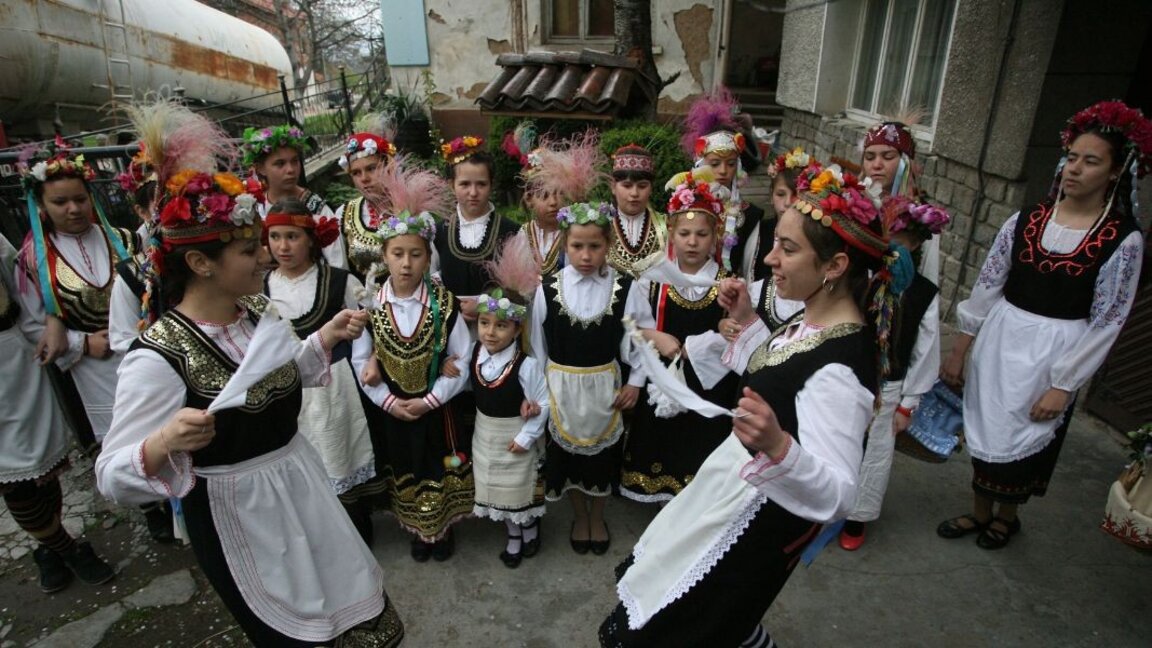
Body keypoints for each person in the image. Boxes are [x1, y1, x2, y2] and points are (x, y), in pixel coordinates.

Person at [95, 104, 402, 647]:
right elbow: (111, 475)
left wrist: (324, 340)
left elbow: (277, 378)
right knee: (300, 631)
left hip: (300, 483)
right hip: (241, 511)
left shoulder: (258, 311)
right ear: (199, 264)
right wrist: (164, 440)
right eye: (247, 249)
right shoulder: (158, 355)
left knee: (354, 610)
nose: (265, 256)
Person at [600, 162, 900, 647]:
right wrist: (746, 320)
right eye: (776, 244)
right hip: (729, 493)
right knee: (696, 612)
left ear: (835, 266)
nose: (770, 261)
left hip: (754, 524)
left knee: (685, 624)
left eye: (788, 248)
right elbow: (782, 372)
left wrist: (780, 446)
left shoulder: (842, 370)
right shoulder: (809, 321)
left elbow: (840, 493)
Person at [937, 100, 1148, 550]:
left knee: (1027, 432)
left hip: (1057, 349)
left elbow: (1109, 319)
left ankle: (1006, 517)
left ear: (1114, 172)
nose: (1074, 169)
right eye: (1072, 158)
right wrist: (960, 346)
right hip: (1003, 335)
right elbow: (989, 283)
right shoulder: (1026, 219)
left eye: (1091, 162)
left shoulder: (1120, 239)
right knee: (986, 423)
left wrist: (1064, 383)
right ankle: (978, 511)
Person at [351, 158, 473, 563]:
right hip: (395, 407)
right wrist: (388, 401)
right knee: (405, 468)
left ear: (428, 257)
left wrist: (432, 398)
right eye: (398, 254)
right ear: (383, 256)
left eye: (416, 255)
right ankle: (419, 531)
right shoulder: (370, 304)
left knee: (439, 468)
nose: (406, 264)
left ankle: (441, 530)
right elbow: (360, 359)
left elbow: (462, 354)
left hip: (434, 408)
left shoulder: (444, 303)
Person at [1, 235, 116, 593]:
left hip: (12, 365)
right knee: (12, 479)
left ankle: (47, 547)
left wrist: (63, 333)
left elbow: (25, 296)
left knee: (41, 469)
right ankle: (68, 548)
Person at [529, 202, 645, 556]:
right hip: (561, 387)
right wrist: (540, 391)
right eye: (577, 246)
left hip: (604, 388)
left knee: (602, 457)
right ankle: (579, 514)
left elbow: (641, 338)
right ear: (566, 245)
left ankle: (598, 514)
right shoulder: (548, 287)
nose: (585, 255)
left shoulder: (625, 287)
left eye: (594, 246)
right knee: (568, 458)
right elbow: (537, 345)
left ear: (608, 244)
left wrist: (635, 381)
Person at [262, 197, 380, 545]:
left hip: (336, 385)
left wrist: (363, 359)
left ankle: (357, 532)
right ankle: (318, 535)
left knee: (341, 452)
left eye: (293, 237)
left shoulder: (338, 281)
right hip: (288, 390)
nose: (283, 246)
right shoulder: (262, 288)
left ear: (311, 239)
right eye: (275, 236)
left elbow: (362, 329)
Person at [620, 169, 737, 504]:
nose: (692, 241)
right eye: (684, 233)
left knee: (700, 444)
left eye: (702, 234)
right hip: (664, 382)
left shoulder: (726, 282)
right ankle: (660, 496)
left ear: (715, 236)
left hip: (709, 385)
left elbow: (737, 330)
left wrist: (725, 331)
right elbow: (630, 324)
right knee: (662, 440)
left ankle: (695, 502)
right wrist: (654, 335)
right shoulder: (653, 279)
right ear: (670, 233)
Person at [839, 196, 950, 550]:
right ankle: (823, 505)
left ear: (916, 244)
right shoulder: (857, 278)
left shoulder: (922, 292)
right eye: (886, 239)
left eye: (901, 242)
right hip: (846, 376)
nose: (892, 250)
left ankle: (858, 516)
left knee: (875, 452)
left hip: (888, 386)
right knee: (835, 439)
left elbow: (925, 350)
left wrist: (908, 403)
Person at [15, 138, 140, 447]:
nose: (73, 209)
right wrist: (83, 343)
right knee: (120, 443)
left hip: (141, 354)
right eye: (60, 202)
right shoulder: (33, 260)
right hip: (92, 368)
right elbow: (33, 326)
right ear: (41, 206)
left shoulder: (125, 241)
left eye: (80, 199)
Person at [466, 275, 549, 568]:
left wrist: (527, 436)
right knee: (494, 489)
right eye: (484, 323)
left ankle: (529, 528)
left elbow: (544, 402)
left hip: (515, 435)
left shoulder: (526, 365)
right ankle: (513, 534)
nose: (490, 332)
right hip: (485, 436)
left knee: (517, 489)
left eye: (501, 325)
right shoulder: (474, 354)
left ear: (516, 330)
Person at [681, 86, 771, 283]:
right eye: (714, 164)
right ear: (700, 165)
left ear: (738, 166)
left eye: (730, 164)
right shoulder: (683, 205)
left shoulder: (750, 215)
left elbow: (750, 271)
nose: (723, 171)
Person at [433, 135, 520, 315]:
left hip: (495, 333)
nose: (473, 192)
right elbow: (429, 285)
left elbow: (523, 296)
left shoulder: (512, 233)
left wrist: (484, 307)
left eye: (481, 184)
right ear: (451, 185)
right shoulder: (438, 233)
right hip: (449, 329)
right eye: (464, 184)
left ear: (491, 185)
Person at [241, 125, 345, 269]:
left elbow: (338, 263)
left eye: (295, 161)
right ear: (260, 168)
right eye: (280, 163)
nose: (290, 170)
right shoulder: (254, 207)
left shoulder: (315, 208)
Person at [335, 117, 399, 281]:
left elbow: (429, 267)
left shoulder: (409, 207)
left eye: (371, 169)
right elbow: (340, 272)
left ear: (388, 166)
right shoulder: (343, 214)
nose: (364, 178)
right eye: (356, 173)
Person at [606, 144, 667, 278]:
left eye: (642, 186)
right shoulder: (599, 226)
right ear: (613, 187)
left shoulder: (667, 226)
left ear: (651, 188)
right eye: (627, 186)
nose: (634, 193)